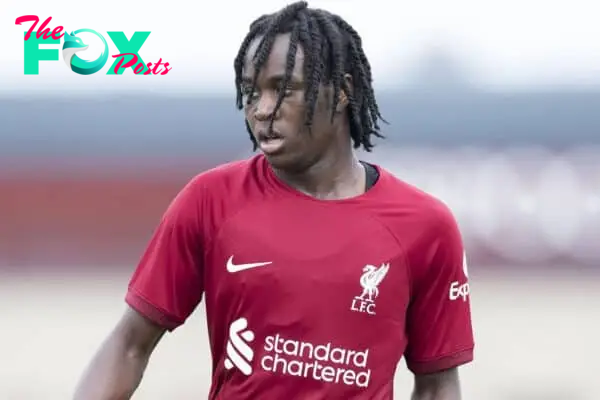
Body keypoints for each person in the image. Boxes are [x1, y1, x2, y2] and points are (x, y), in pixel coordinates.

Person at [73, 2, 474, 399]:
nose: (262, 110)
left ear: (343, 93)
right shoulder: (210, 200)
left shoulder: (425, 226)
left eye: (283, 89)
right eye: (250, 91)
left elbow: (438, 386)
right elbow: (129, 345)